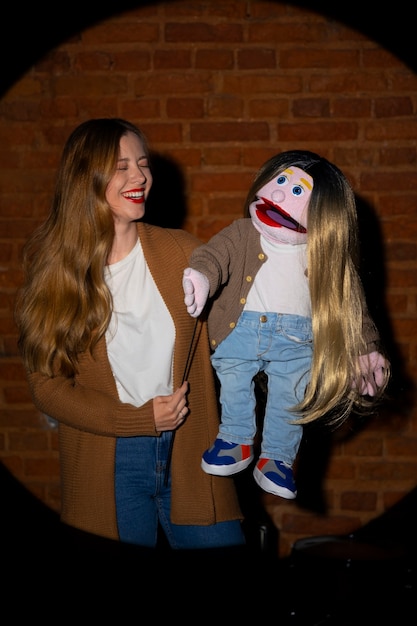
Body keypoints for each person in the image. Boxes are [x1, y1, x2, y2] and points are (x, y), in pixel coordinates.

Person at [14, 117, 246, 551]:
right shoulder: (54, 275)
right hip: (108, 462)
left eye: (142, 163)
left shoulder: (182, 252)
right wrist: (138, 420)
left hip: (191, 450)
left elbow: (242, 324)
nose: (139, 176)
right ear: (86, 177)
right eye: (121, 166)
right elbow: (47, 388)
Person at [182, 150, 391, 499]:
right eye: (280, 181)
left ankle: (276, 459)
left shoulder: (325, 256)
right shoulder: (243, 232)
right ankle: (235, 439)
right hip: (239, 333)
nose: (278, 194)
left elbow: (353, 306)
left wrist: (364, 349)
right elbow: (212, 255)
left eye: (297, 191)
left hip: (296, 343)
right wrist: (202, 277)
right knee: (233, 378)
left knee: (289, 397)